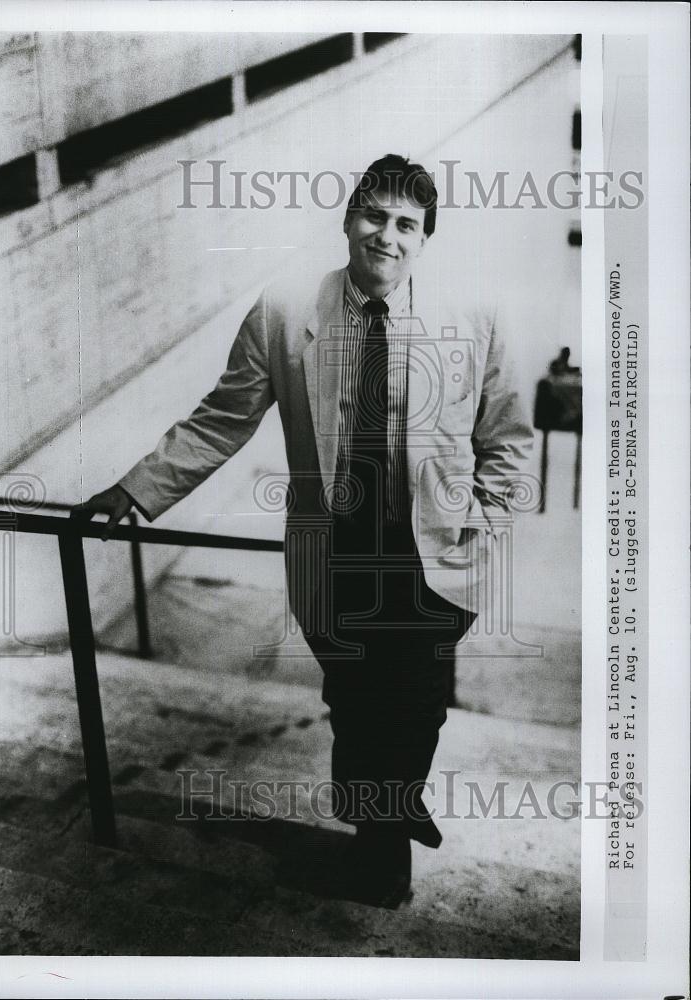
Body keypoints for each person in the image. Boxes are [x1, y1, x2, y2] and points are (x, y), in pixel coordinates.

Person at [77, 154, 534, 908]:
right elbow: (221, 418)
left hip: (433, 550)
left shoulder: (475, 315)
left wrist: (486, 522)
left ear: (424, 238)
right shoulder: (286, 309)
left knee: (415, 700)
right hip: (335, 554)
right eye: (373, 216)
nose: (385, 235)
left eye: (405, 224)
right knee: (353, 700)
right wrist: (133, 489)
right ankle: (379, 823)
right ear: (347, 219)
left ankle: (388, 820)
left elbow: (508, 437)